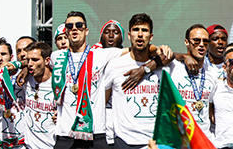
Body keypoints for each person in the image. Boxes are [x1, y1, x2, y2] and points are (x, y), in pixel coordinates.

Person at [50, 11, 168, 149]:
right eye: (70, 26)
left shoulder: (102, 55)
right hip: (65, 133)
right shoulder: (56, 57)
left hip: (95, 132)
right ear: (66, 31)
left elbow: (138, 48)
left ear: (86, 31)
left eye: (79, 25)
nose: (74, 28)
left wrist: (158, 51)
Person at [105, 14, 170, 149]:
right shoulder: (114, 65)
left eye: (144, 30)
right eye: (136, 30)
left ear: (151, 37)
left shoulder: (164, 67)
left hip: (154, 142)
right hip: (124, 142)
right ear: (129, 35)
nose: (140, 34)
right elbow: (103, 102)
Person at [167, 24, 217, 139]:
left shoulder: (212, 72)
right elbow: (158, 54)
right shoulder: (173, 67)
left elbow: (210, 107)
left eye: (205, 41)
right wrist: (184, 56)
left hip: (204, 139)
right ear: (186, 42)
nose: (201, 44)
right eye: (196, 41)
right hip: (180, 138)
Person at [24, 42, 57, 149]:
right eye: (28, 60)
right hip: (28, 146)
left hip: (51, 145)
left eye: (35, 60)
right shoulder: (25, 80)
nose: (30, 64)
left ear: (47, 60)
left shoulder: (58, 83)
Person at [0, 38, 26, 148]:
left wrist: (23, 67)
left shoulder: (23, 76)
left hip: (21, 140)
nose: (0, 58)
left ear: (11, 57)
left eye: (3, 54)